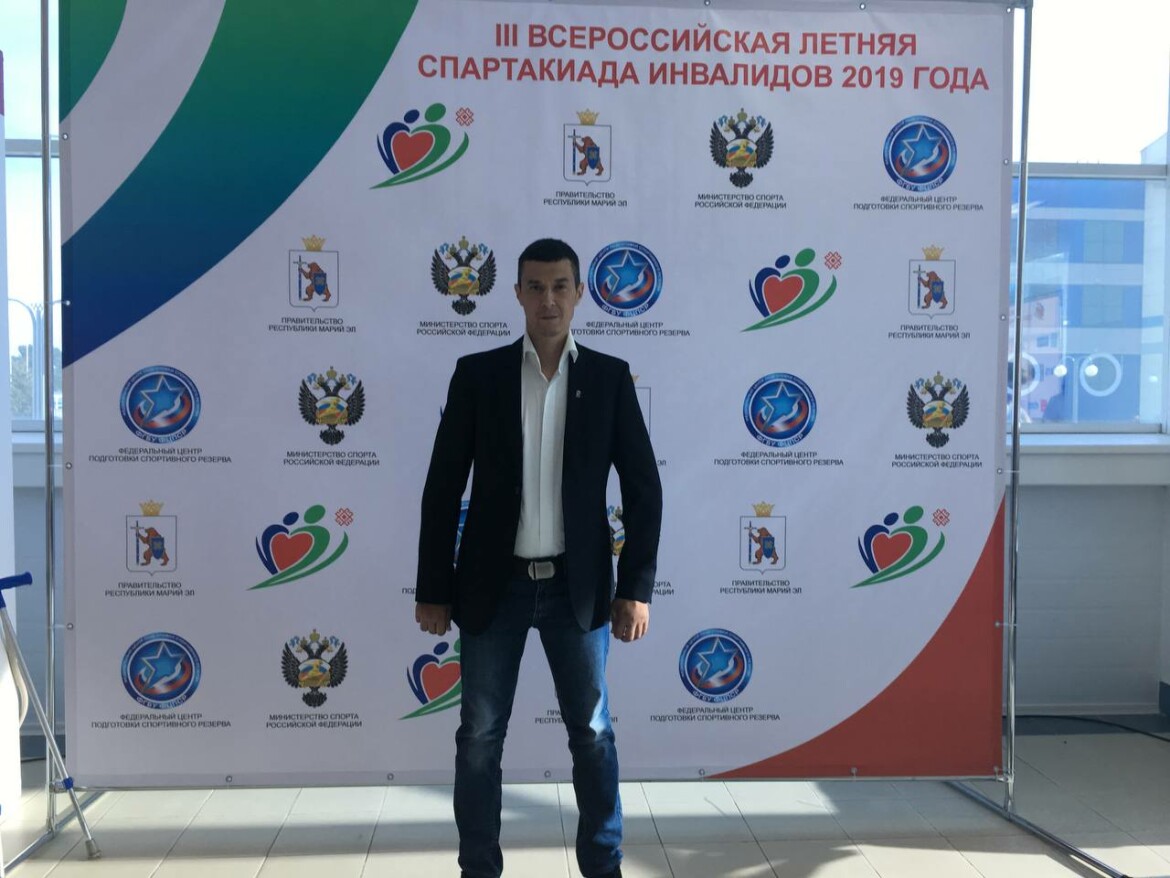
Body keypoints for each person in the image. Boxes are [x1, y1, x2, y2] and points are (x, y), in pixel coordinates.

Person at [415, 238, 662, 878]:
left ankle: (603, 866)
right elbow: (443, 486)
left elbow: (644, 488)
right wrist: (433, 589)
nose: (547, 299)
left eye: (559, 286)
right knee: (479, 737)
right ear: (518, 294)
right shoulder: (479, 375)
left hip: (578, 590)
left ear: (579, 293)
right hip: (491, 588)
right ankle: (478, 869)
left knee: (593, 733)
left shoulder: (608, 378)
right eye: (535, 287)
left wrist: (636, 587)